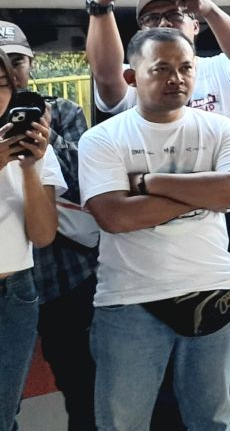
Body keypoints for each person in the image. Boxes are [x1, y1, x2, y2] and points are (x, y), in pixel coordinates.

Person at [86, 0, 230, 429]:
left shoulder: (212, 69)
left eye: (174, 13)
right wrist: (100, 5)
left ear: (195, 24)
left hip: (227, 236)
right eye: (150, 18)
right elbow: (114, 214)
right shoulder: (129, 90)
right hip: (144, 263)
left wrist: (149, 183)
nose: (163, 22)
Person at [1, 21, 97, 431]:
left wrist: (42, 144)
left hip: (60, 276)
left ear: (30, 64)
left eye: (16, 62)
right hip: (19, 279)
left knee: (81, 385)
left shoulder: (62, 112)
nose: (11, 75)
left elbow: (85, 181)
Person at [0, 51, 64, 431]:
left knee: (5, 412)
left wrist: (28, 168)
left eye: (2, 85)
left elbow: (42, 236)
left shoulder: (37, 149)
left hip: (15, 292)